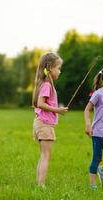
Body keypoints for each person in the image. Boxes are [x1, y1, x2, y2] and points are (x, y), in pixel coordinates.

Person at [32, 52, 68, 188]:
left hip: (40, 123)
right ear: (50, 68)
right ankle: (41, 185)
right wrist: (58, 110)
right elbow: (41, 103)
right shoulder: (47, 84)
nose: (60, 71)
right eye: (58, 68)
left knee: (43, 155)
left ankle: (39, 184)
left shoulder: (45, 84)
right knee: (46, 156)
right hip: (44, 124)